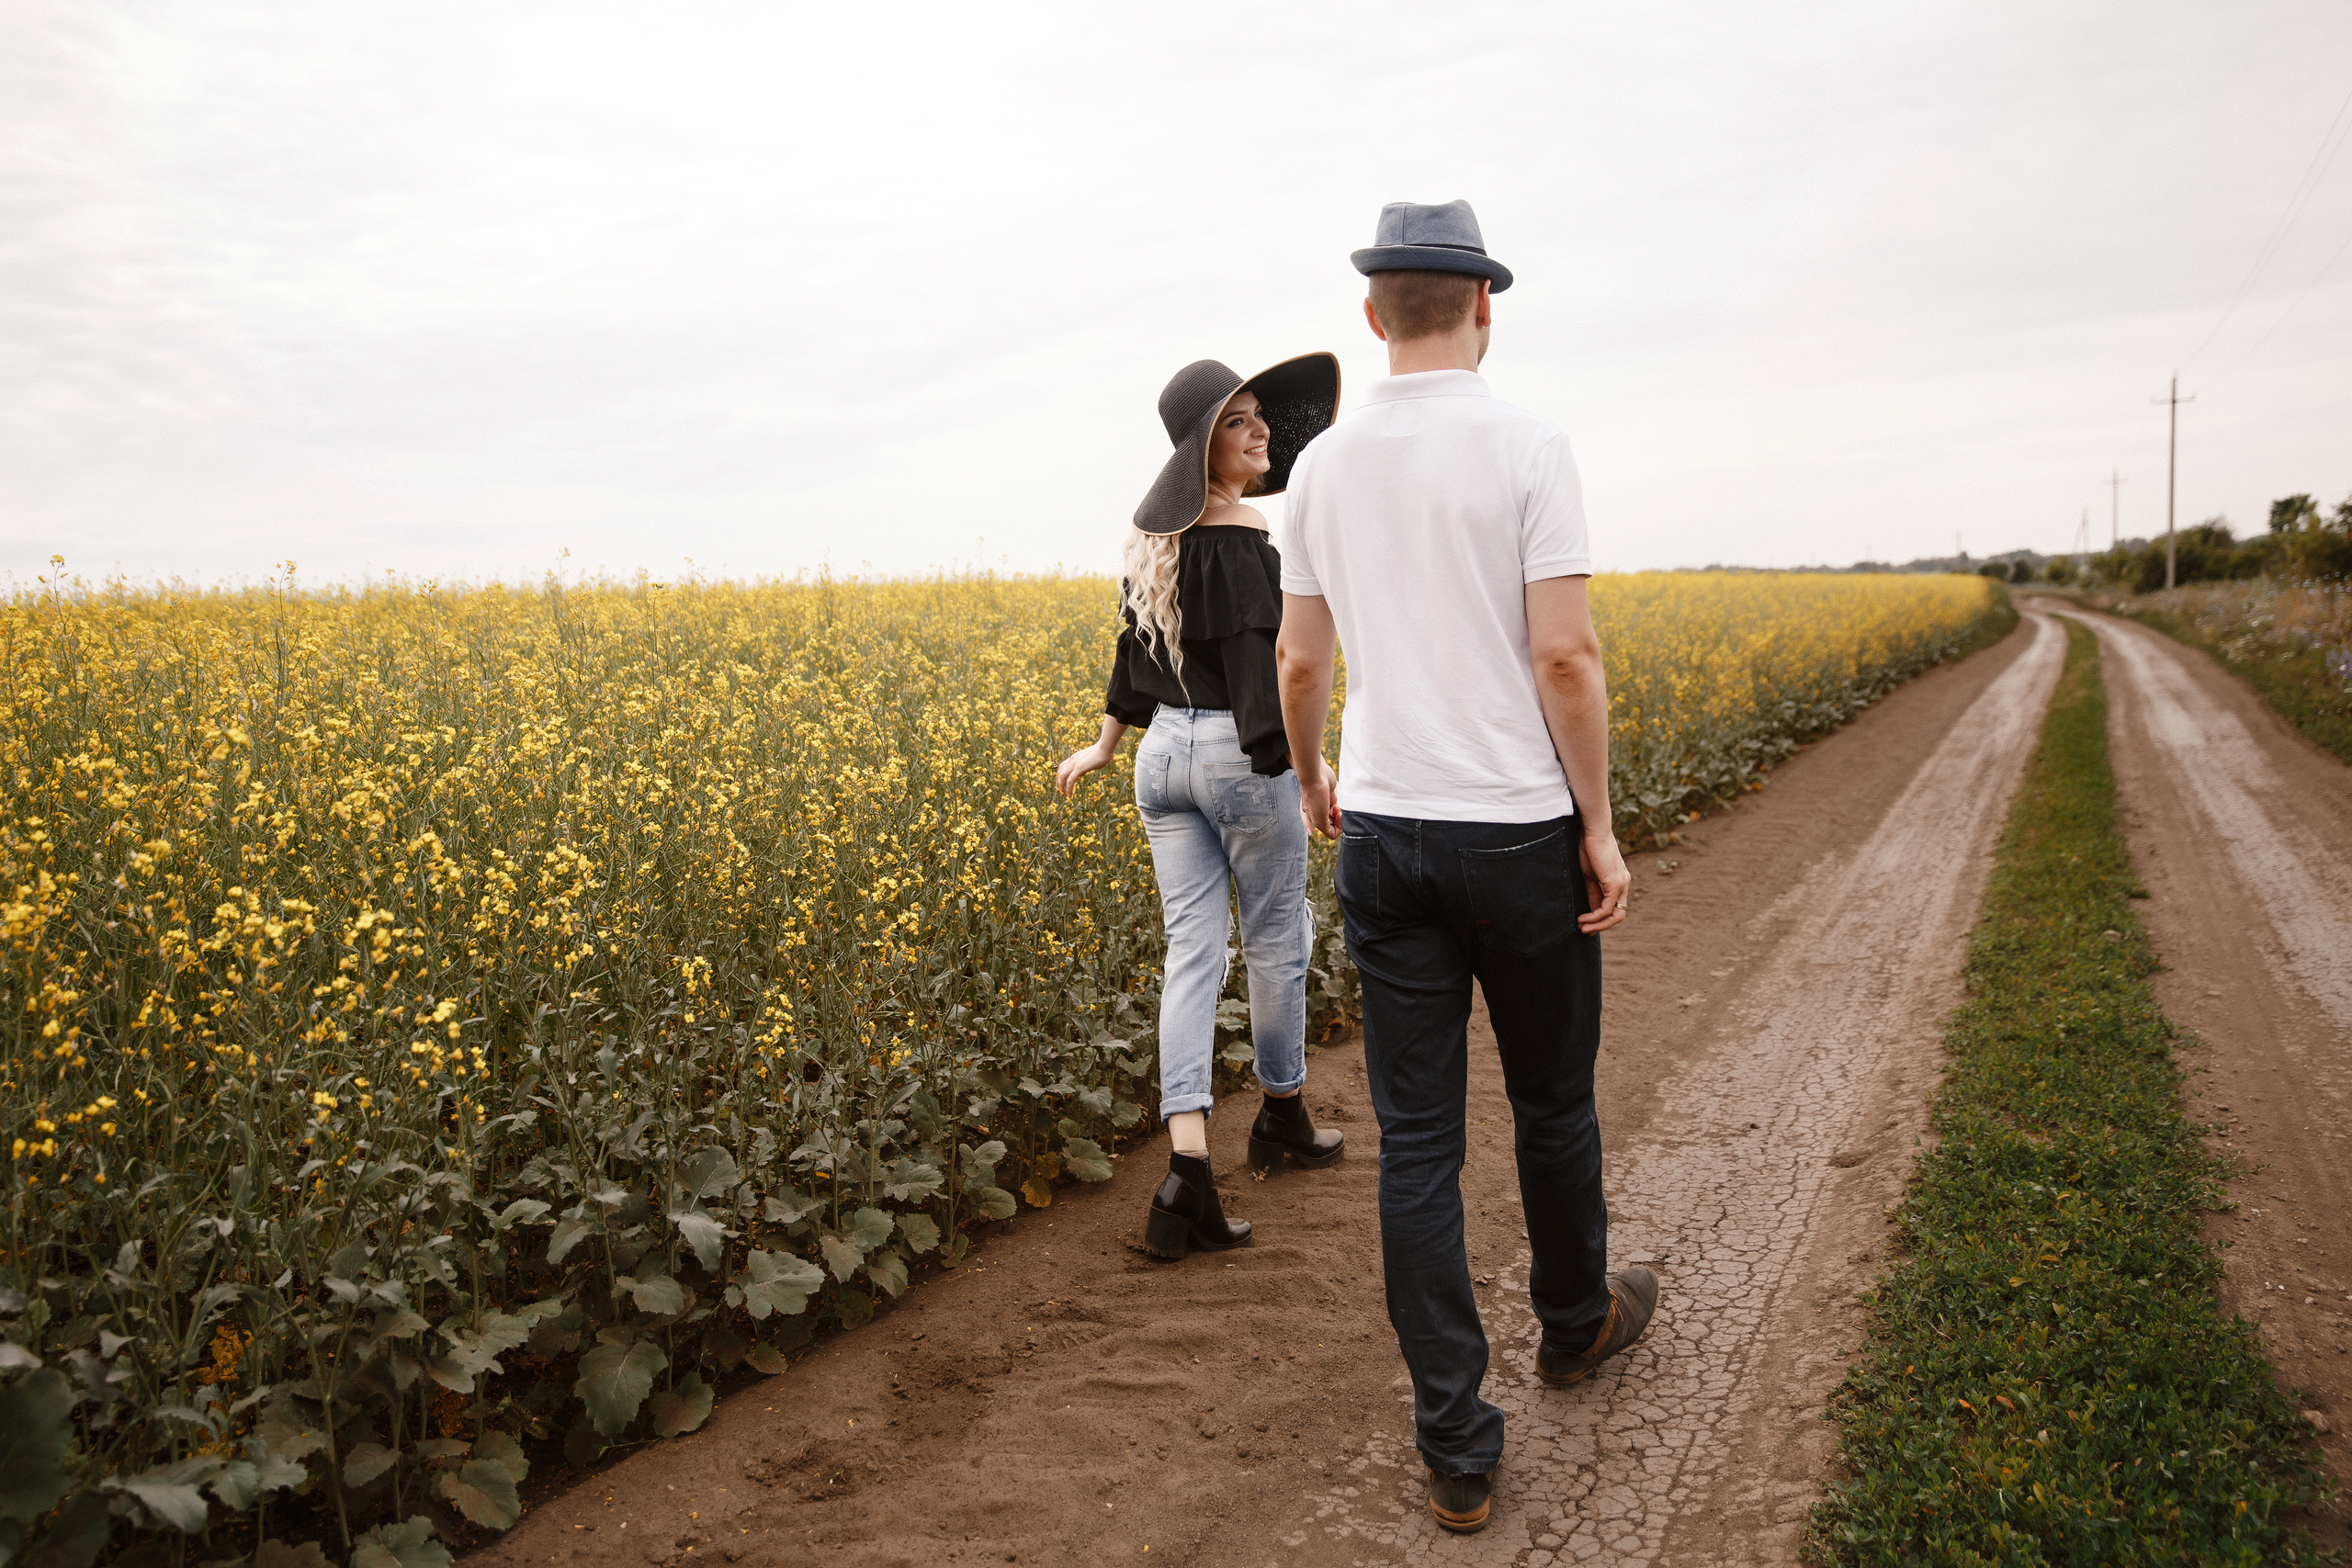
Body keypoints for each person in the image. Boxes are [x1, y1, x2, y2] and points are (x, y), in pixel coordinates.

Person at [1273, 200, 1656, 1536]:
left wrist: (1320, 774)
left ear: (1374, 316)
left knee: (1418, 1143)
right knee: (1552, 1101)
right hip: (1514, 830)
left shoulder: (1317, 467)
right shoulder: (1530, 441)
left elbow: (1301, 660)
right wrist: (1595, 824)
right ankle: (1573, 1321)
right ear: (1482, 306)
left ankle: (1457, 1441)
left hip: (1385, 832)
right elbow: (1566, 655)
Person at [1055, 353, 1348, 1260]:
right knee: (1275, 942)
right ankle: (1283, 1116)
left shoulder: (1155, 543)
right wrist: (1304, 768)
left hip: (1161, 761)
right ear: (1201, 447)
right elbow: (1269, 672)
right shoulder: (1245, 537)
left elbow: (1132, 655)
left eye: (1261, 416)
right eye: (1238, 421)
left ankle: (1186, 1170)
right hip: (1235, 754)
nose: (1260, 431)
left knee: (1192, 953)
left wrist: (1106, 744)